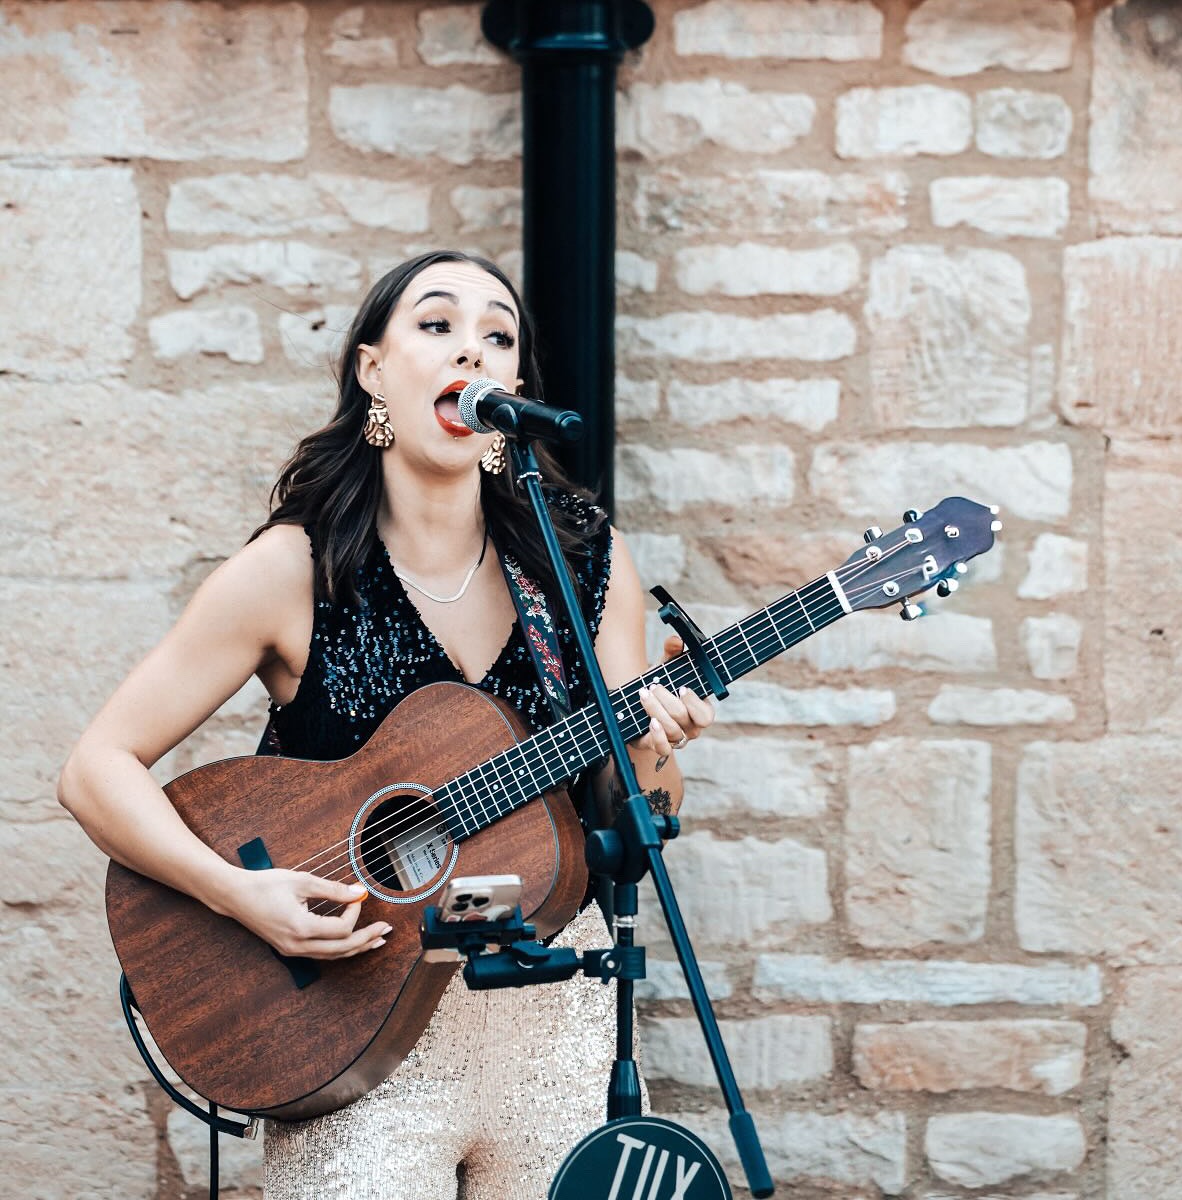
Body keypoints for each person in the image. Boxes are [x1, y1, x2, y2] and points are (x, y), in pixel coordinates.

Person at [58, 250, 715, 1199]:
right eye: (438, 325)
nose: (471, 352)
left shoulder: (583, 559)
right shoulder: (298, 568)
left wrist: (652, 745)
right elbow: (96, 768)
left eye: (498, 336)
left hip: (557, 1023)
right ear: (374, 370)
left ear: (514, 391)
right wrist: (238, 896)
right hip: (350, 1021)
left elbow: (632, 817)